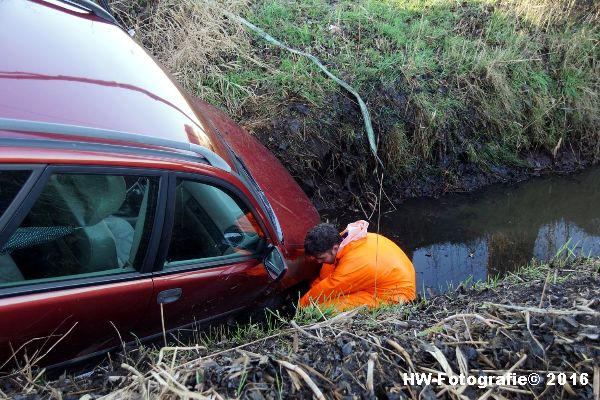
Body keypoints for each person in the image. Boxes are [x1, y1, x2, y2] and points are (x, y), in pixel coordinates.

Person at [299, 220, 416, 311]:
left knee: (320, 309)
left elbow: (332, 286)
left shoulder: (353, 264)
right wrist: (312, 287)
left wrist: (300, 305)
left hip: (394, 295)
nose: (319, 262)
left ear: (334, 248)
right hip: (384, 276)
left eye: (321, 258)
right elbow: (329, 271)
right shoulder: (344, 240)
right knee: (326, 276)